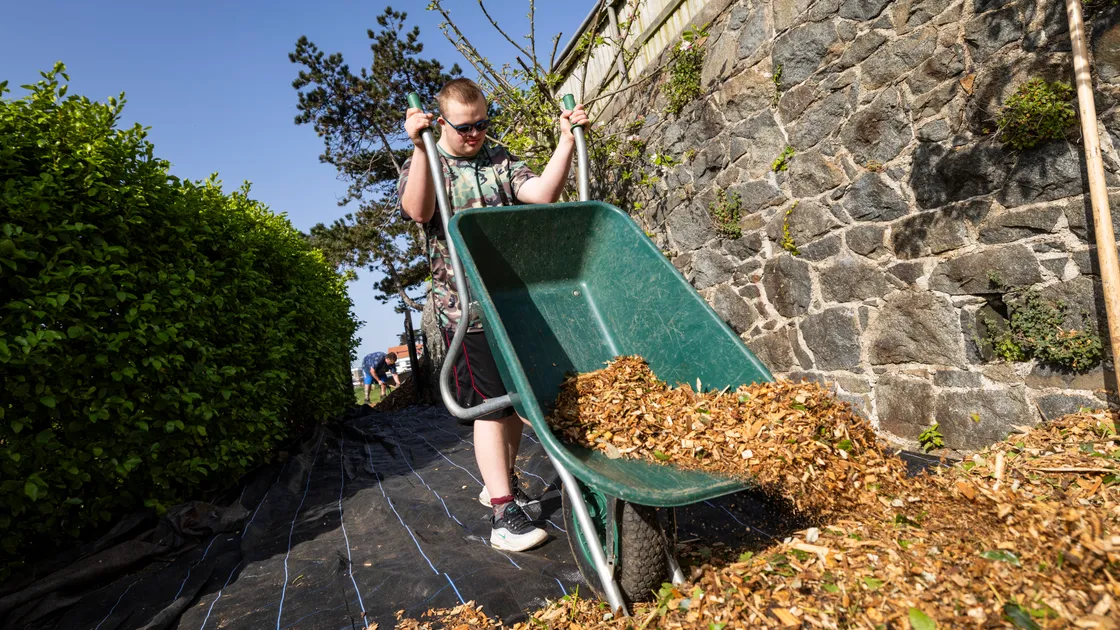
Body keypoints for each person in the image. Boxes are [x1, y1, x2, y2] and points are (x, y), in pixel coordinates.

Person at [400, 78, 588, 552]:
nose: (475, 134)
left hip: (508, 301)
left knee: (514, 401)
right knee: (491, 407)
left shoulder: (496, 158)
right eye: (465, 127)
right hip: (465, 308)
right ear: (441, 122)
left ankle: (498, 483)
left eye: (482, 123)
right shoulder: (429, 159)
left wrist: (565, 140)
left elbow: (541, 193)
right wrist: (420, 150)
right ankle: (504, 515)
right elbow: (418, 210)